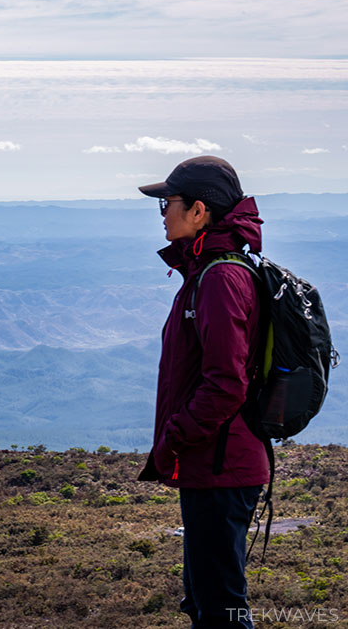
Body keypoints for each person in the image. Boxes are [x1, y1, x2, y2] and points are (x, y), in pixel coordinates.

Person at [137, 156, 270, 628]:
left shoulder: (220, 278)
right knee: (206, 603)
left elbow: (225, 384)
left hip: (221, 466)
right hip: (214, 464)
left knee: (222, 611)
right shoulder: (208, 270)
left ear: (198, 211)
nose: (163, 214)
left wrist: (174, 437)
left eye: (166, 204)